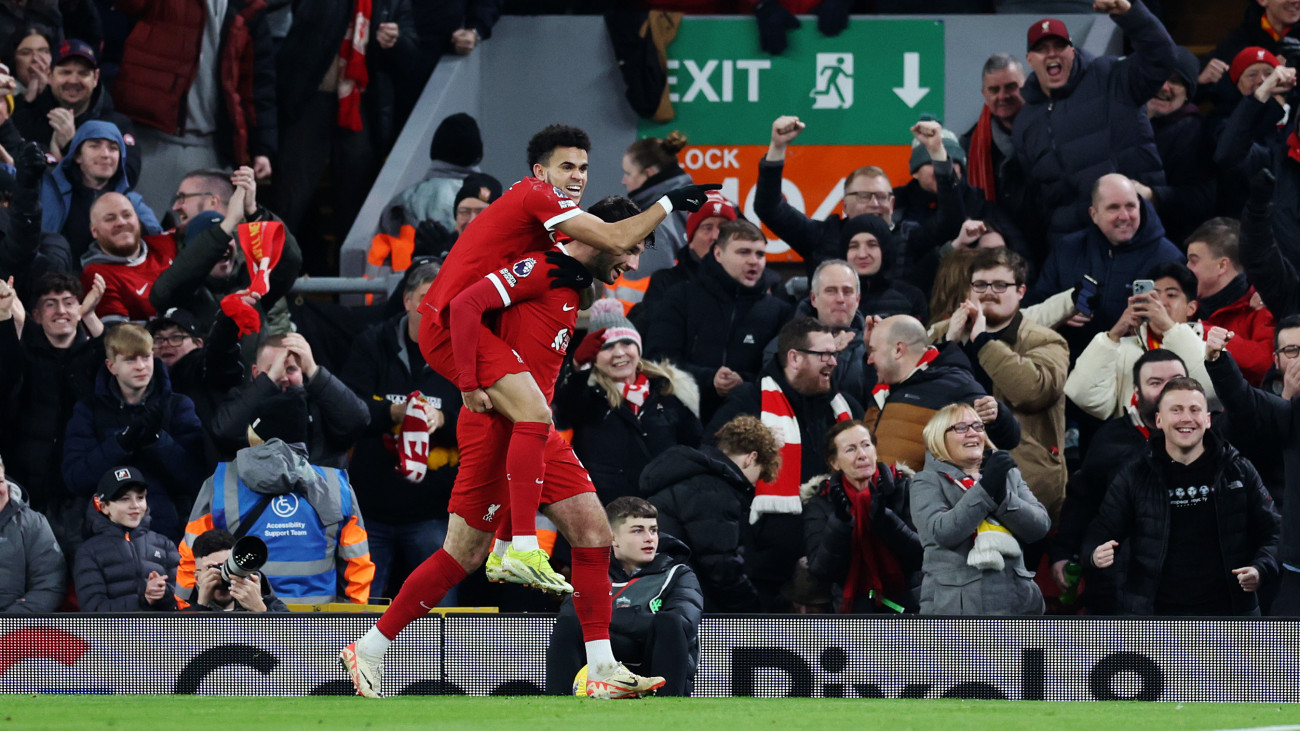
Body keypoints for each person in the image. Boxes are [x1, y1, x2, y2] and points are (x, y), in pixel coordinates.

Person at [341, 197, 668, 700]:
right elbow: (466, 304)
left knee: (594, 533)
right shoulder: (538, 265)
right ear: (601, 234)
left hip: (536, 427)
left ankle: (602, 667)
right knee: (460, 555)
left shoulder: (572, 281)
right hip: (498, 424)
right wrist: (469, 383)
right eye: (630, 247)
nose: (633, 262)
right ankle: (371, 646)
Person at [415, 123, 716, 574]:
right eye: (566, 167)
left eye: (584, 168)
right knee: (535, 417)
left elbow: (598, 251)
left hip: (468, 327)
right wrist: (670, 201)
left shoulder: (549, 232)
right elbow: (613, 236)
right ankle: (519, 545)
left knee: (541, 453)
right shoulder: (539, 195)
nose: (577, 176)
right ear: (540, 171)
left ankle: (509, 560)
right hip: (449, 325)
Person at [1083, 376, 1280, 615]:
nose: (1186, 418)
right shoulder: (1134, 474)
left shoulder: (1238, 469)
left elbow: (1276, 534)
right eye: (1176, 410)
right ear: (1159, 420)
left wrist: (1261, 569)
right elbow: (1099, 533)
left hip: (1231, 616)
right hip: (1154, 621)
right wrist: (1094, 555)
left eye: (1194, 410)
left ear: (1208, 420)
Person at [180, 390, 374, 605]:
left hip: (245, 626)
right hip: (318, 626)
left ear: (257, 435)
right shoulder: (336, 485)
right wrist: (354, 619)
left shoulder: (220, 483)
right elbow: (357, 563)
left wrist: (189, 616)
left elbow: (193, 557)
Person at [339, 262, 462, 599]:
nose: (435, 307)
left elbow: (481, 420)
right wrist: (396, 411)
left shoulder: (463, 353)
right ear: (407, 300)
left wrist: (442, 419)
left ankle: (444, 656)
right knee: (362, 607)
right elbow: (347, 409)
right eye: (426, 298)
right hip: (372, 510)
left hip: (433, 513)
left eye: (444, 299)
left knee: (440, 614)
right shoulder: (372, 344)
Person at [1013, 3, 1177, 241]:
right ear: (1030, 59)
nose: (1052, 53)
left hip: (1135, 230)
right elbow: (1041, 197)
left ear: (1072, 51)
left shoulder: (1109, 75)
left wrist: (1131, 15)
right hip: (1073, 242)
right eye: (1042, 49)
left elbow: (1161, 58)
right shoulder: (1025, 123)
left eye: (1060, 46)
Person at [1051, 348, 1189, 614]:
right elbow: (1083, 500)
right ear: (1136, 391)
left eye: (1176, 381)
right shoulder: (1110, 438)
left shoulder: (1211, 439)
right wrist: (1064, 552)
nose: (1167, 390)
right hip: (1120, 584)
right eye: (1155, 383)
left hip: (1190, 584)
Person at [935, 247, 1068, 518]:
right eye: (980, 284)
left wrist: (982, 340)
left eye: (1000, 284)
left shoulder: (1045, 339)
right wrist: (948, 344)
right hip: (949, 478)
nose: (988, 292)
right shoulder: (942, 334)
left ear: (1020, 291)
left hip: (1023, 483)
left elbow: (1032, 391)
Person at [112, 0, 277, 214]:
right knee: (142, 234)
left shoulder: (249, 7)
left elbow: (256, 82)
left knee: (210, 239)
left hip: (214, 147)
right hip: (151, 139)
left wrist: (262, 147)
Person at [62, 323, 208, 542]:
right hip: (108, 538)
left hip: (170, 534)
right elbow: (75, 478)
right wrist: (120, 444)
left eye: (146, 357)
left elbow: (197, 478)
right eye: (131, 359)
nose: (141, 366)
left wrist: (158, 441)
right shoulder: (88, 411)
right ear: (111, 366)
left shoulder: (178, 406)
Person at [545, 497, 703, 697]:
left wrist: (606, 619)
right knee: (569, 622)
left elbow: (685, 623)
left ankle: (667, 706)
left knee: (669, 622)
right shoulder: (591, 574)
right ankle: (559, 705)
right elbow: (570, 615)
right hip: (598, 670)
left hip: (653, 671)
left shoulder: (679, 574)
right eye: (638, 530)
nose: (650, 538)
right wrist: (639, 618)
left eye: (653, 530)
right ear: (612, 538)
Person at [554, 299, 701, 506]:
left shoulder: (669, 390)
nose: (619, 352)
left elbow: (694, 448)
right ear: (593, 357)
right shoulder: (587, 395)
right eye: (607, 347)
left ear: (638, 347)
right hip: (604, 515)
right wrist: (578, 366)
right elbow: (564, 410)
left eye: (626, 343)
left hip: (662, 514)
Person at [644, 219, 793, 423]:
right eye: (743, 252)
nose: (754, 260)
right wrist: (709, 379)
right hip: (681, 420)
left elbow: (784, 373)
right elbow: (659, 360)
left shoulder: (778, 311)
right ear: (718, 254)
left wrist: (744, 381)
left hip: (749, 424)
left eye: (760, 254)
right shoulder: (681, 297)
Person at [911, 403, 1051, 616]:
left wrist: (1002, 497)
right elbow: (942, 532)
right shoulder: (926, 481)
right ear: (938, 437)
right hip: (957, 612)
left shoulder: (1008, 475)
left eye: (978, 426)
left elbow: (1040, 526)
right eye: (961, 427)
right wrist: (985, 491)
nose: (973, 432)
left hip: (1017, 605)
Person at [1205, 320, 1300, 615]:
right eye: (1293, 350)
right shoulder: (1288, 413)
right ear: (1276, 359)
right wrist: (1218, 359)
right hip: (1292, 567)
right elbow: (1242, 400)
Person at [642, 415, 782, 613]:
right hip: (683, 602)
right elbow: (721, 566)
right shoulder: (714, 489)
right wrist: (752, 611)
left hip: (663, 594)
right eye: (758, 475)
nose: (752, 486)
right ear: (751, 458)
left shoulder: (691, 476)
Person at [1026, 173, 1183, 345]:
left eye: (1130, 206)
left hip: (1139, 365)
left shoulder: (1169, 258)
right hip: (1071, 361)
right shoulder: (1067, 249)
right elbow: (1038, 303)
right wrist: (1060, 314)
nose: (1124, 216)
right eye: (1113, 207)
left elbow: (1181, 325)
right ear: (1094, 214)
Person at [0, 271, 102, 530]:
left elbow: (121, 362)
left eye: (69, 302)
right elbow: (6, 372)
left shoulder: (95, 357)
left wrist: (90, 317)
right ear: (36, 315)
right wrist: (7, 320)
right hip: (25, 485)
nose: (61, 311)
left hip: (80, 491)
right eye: (50, 303)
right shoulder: (24, 355)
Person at [149, 166, 303, 330]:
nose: (176, 207)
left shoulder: (251, 277)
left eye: (183, 198)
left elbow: (289, 261)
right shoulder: (187, 289)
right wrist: (229, 223)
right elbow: (163, 292)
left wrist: (254, 211)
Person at [865, 315, 1021, 473]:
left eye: (873, 351)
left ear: (898, 350)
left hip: (922, 496)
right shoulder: (885, 385)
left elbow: (1009, 439)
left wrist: (997, 416)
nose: (869, 360)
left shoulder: (954, 384)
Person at [1065, 261, 1215, 420]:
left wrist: (1169, 328)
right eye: (1154, 295)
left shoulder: (1211, 347)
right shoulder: (1120, 348)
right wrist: (1113, 335)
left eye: (1171, 295)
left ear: (1191, 308)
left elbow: (1211, 393)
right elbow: (1084, 396)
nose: (1160, 302)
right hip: (1134, 440)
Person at [801, 420, 921, 613]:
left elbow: (922, 555)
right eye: (850, 449)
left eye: (866, 445)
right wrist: (840, 525)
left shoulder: (905, 488)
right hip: (853, 613)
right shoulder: (821, 503)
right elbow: (821, 570)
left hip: (908, 608)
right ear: (834, 462)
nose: (862, 455)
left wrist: (885, 520)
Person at [211, 332, 369, 468]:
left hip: (319, 496)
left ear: (303, 371)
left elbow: (358, 420)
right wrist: (269, 381)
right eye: (274, 368)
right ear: (256, 372)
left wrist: (314, 371)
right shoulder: (242, 398)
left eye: (291, 369)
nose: (284, 377)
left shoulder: (321, 400)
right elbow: (225, 432)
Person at [41, 120, 161, 263]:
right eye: (95, 146)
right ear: (77, 156)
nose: (106, 154)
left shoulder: (130, 201)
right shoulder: (49, 189)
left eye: (113, 148)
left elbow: (157, 237)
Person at [11, 38, 136, 167]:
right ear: (49, 75)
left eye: (83, 73)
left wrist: (72, 145)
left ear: (96, 78)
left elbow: (126, 178)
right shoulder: (25, 121)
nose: (73, 80)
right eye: (66, 72)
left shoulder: (117, 126)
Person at [962, 53, 1039, 263]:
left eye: (1011, 87)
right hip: (1007, 252)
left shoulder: (1050, 132)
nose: (1002, 96)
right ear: (984, 94)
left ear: (1026, 85)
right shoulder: (970, 147)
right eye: (994, 90)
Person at [73, 465, 180, 612]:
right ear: (104, 507)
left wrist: (163, 593)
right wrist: (144, 600)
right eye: (125, 499)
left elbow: (182, 601)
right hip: (113, 634)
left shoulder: (165, 545)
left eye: (140, 498)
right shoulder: (89, 551)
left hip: (163, 633)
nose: (135, 506)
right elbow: (94, 609)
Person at [1185, 217, 1275, 386]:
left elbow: (1266, 362)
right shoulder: (1183, 305)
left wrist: (1202, 332)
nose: (1187, 267)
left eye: (1194, 260)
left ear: (1222, 266)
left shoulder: (1261, 308)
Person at [631, 190, 737, 326]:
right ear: (691, 240)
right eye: (707, 228)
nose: (716, 236)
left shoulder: (753, 282)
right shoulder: (665, 283)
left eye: (723, 229)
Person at [1145, 46, 1216, 245]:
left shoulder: (1195, 131)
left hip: (1170, 241)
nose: (1165, 87)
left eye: (1176, 81)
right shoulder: (1124, 121)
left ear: (1188, 93)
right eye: (1160, 77)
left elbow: (1202, 200)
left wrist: (1154, 195)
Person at [619, 131, 694, 279]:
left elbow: (639, 288)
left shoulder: (653, 222)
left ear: (649, 174)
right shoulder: (714, 201)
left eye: (628, 173)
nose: (624, 180)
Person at [0, 456, 66, 613]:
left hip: (15, 629)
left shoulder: (32, 523)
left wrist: (9, 623)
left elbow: (50, 584)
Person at [839, 214, 927, 322]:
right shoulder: (832, 296)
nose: (862, 254)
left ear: (885, 250)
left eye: (872, 245)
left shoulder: (911, 297)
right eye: (854, 246)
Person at [186, 528, 289, 613]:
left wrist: (260, 609)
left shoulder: (271, 605)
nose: (223, 574)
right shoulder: (184, 612)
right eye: (213, 568)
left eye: (227, 566)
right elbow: (184, 637)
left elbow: (292, 636)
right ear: (197, 578)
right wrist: (201, 606)